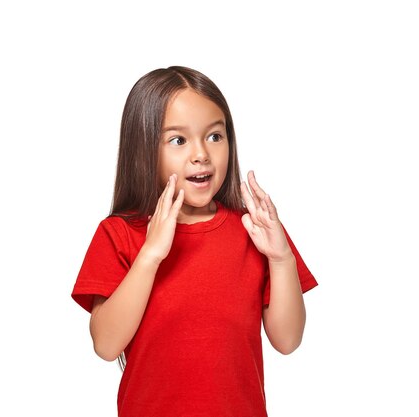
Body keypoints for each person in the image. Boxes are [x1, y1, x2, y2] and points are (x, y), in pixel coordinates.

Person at [71, 66, 318, 416]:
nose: (201, 153)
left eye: (215, 136)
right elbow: (107, 345)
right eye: (178, 140)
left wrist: (282, 260)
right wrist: (150, 256)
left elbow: (288, 340)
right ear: (143, 149)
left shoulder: (254, 231)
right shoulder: (119, 234)